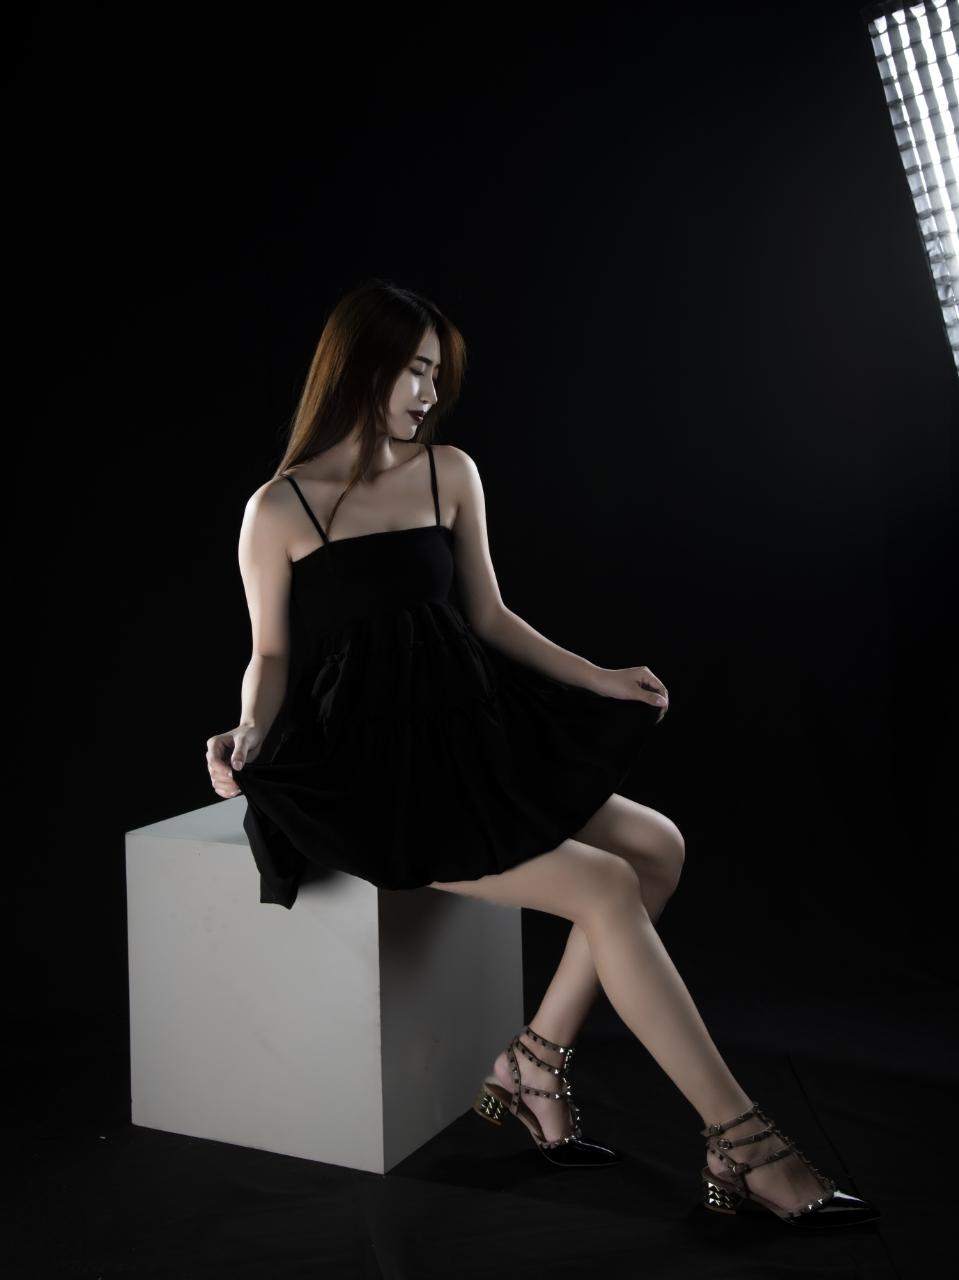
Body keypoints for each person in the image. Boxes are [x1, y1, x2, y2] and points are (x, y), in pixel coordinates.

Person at [205, 278, 879, 1228]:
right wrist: (248, 730)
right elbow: (271, 655)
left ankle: (532, 1065)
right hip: (378, 773)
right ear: (362, 367)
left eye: (436, 374)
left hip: (470, 733)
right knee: (604, 885)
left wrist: (598, 676)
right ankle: (741, 1141)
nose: (430, 393)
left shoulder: (448, 473)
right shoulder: (278, 509)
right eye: (415, 371)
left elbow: (488, 615)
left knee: (658, 848)